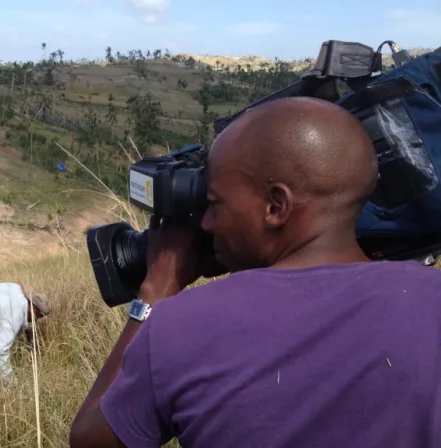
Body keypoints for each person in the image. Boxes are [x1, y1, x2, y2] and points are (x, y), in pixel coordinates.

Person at [69, 97, 441, 447]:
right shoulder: (431, 301)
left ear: (276, 206)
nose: (207, 223)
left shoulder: (182, 326)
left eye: (214, 204)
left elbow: (88, 440)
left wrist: (155, 290)